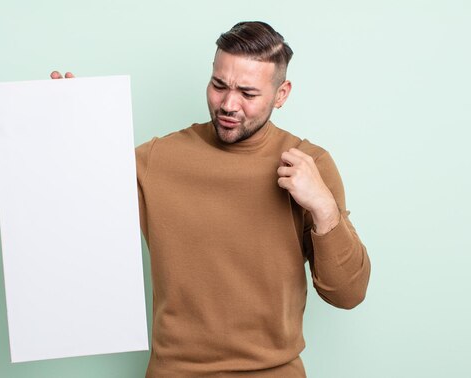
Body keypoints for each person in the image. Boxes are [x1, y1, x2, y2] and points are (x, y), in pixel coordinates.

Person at [52, 21, 370, 378]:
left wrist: (324, 208)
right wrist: (70, 123)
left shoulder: (309, 164)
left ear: (281, 94)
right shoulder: (156, 160)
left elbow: (348, 294)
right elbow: (74, 220)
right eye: (219, 86)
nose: (228, 104)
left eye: (248, 94)